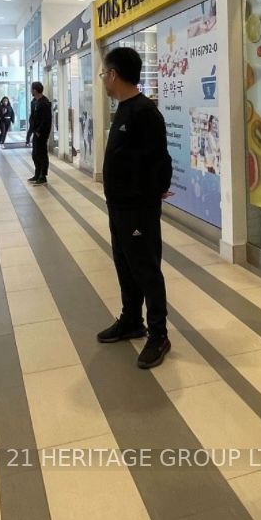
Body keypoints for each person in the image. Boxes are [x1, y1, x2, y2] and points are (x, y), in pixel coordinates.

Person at [95, 47, 173, 370]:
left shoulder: (144, 112)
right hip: (119, 208)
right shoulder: (124, 109)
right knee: (125, 265)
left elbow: (161, 161)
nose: (103, 79)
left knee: (146, 269)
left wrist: (148, 196)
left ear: (114, 75)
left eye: (104, 73)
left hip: (138, 209)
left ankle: (159, 334)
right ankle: (131, 320)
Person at [27, 82, 52, 184]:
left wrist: (39, 131)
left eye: (31, 89)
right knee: (35, 154)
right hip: (35, 131)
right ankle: (37, 173)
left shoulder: (44, 103)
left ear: (35, 90)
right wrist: (32, 130)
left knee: (42, 153)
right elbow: (32, 117)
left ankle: (43, 175)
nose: (31, 91)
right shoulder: (34, 102)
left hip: (42, 133)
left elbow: (46, 120)